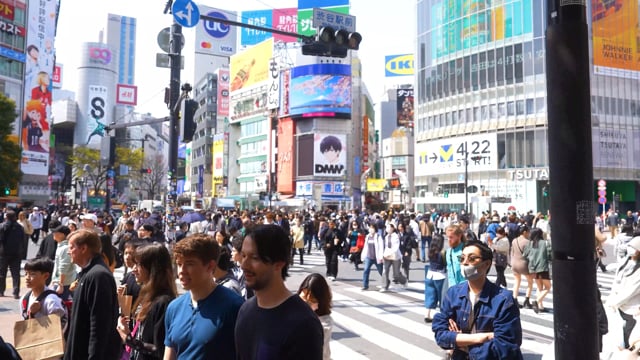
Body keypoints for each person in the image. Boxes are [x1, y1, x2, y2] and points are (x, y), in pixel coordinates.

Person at [235, 225, 324, 360]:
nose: (244, 265)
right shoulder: (245, 310)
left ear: (278, 264)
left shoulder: (303, 324)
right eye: (243, 255)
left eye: (254, 257)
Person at [432, 240, 523, 359]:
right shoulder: (453, 293)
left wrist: (461, 343)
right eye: (462, 258)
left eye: (472, 259)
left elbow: (506, 346)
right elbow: (441, 335)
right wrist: (482, 337)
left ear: (486, 264)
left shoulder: (504, 299)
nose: (465, 263)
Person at [163, 234, 243, 359]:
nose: (181, 271)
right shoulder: (174, 308)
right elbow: (170, 353)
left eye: (189, 264)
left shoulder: (235, 307)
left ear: (210, 266)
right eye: (179, 264)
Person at [64, 229, 122, 360]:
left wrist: (94, 356)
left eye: (72, 247)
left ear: (84, 248)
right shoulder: (86, 273)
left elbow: (99, 323)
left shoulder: (98, 275)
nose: (69, 252)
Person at [117, 244, 177, 360]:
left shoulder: (163, 302)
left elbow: (161, 349)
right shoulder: (147, 296)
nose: (134, 269)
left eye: (138, 265)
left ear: (153, 268)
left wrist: (128, 339)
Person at [607, 236, 640, 350]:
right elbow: (617, 281)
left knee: (629, 339)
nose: (629, 248)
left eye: (633, 247)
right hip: (620, 306)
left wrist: (613, 302)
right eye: (629, 245)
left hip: (631, 309)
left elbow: (630, 291)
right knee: (622, 335)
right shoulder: (626, 260)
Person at [20, 258, 67, 330]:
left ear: (46, 276)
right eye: (26, 273)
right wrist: (31, 314)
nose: (27, 278)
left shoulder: (51, 301)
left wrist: (34, 313)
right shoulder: (24, 299)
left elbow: (58, 328)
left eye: (32, 274)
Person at [297, 273, 333, 360]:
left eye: (310, 301)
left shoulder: (325, 322)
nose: (304, 304)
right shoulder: (295, 311)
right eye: (302, 299)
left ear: (319, 301)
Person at [522, 228, 552, 313]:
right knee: (548, 287)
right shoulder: (545, 243)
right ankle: (537, 301)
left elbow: (524, 255)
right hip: (543, 267)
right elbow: (550, 255)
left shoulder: (530, 243)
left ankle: (540, 306)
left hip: (532, 268)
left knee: (539, 287)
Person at [0, 211, 25, 298]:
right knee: (16, 273)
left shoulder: (2, 226)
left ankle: (1, 291)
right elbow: (23, 240)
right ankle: (16, 292)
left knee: (2, 273)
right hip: (16, 253)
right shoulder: (20, 227)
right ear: (15, 217)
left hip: (3, 253)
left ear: (6, 217)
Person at [510, 224, 535, 309]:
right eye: (528, 232)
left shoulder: (514, 240)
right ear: (524, 232)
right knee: (530, 282)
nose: (529, 234)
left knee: (517, 281)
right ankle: (527, 301)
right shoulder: (527, 242)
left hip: (514, 263)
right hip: (524, 264)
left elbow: (512, 252)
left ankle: (515, 300)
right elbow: (530, 255)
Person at [424, 233, 446, 323]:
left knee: (430, 295)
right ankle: (442, 315)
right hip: (440, 276)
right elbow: (445, 263)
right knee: (441, 296)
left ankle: (427, 314)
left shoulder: (430, 251)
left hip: (430, 275)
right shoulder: (442, 252)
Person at [50, 224, 75, 301]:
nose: (53, 234)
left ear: (62, 235)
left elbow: (64, 266)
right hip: (59, 282)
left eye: (55, 232)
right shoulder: (61, 246)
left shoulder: (65, 248)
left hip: (64, 283)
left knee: (61, 305)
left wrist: (61, 284)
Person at [380, 223, 407, 292]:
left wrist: (391, 254)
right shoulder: (386, 237)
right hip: (387, 256)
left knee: (396, 274)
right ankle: (385, 285)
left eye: (389, 227)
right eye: (386, 227)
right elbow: (386, 247)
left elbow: (396, 247)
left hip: (395, 256)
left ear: (392, 228)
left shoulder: (396, 236)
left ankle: (404, 281)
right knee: (385, 271)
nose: (387, 229)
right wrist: (384, 255)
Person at [361, 222, 384, 291]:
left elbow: (381, 247)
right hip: (369, 257)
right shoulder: (368, 236)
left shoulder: (378, 236)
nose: (371, 229)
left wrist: (381, 257)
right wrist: (363, 255)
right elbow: (365, 247)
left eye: (372, 228)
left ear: (375, 229)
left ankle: (386, 282)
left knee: (381, 271)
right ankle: (365, 285)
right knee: (366, 270)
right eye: (370, 228)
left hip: (377, 257)